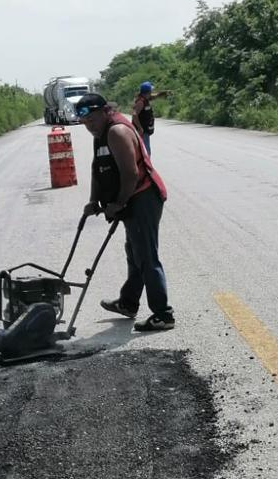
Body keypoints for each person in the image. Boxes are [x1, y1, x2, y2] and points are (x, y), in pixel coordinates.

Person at [75, 93, 174, 331]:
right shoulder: (100, 133)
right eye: (85, 123)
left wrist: (118, 203)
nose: (89, 126)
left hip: (143, 196)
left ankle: (163, 314)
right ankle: (128, 303)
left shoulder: (116, 132)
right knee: (134, 252)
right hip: (132, 198)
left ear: (105, 111)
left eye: (92, 120)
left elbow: (130, 174)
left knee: (147, 257)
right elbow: (97, 168)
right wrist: (94, 200)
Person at [132, 81, 170, 156]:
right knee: (146, 152)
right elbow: (134, 115)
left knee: (145, 151)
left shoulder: (145, 99)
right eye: (150, 91)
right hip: (142, 131)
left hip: (145, 130)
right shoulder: (141, 101)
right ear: (148, 92)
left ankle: (144, 166)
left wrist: (162, 93)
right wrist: (140, 128)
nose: (151, 92)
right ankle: (145, 167)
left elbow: (154, 96)